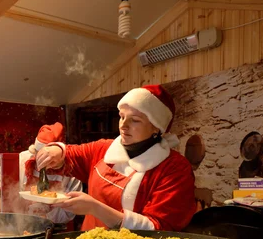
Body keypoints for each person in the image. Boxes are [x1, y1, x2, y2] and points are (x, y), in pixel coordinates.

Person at [36, 85, 196, 231]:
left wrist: (95, 208)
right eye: (122, 116)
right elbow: (72, 155)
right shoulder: (104, 148)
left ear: (156, 126)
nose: (123, 125)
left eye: (135, 120)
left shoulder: (175, 169)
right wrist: (57, 150)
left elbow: (160, 228)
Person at [0, 123, 82, 223]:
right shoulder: (22, 158)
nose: (41, 162)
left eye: (49, 158)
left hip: (51, 227)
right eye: (38, 155)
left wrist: (45, 216)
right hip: (20, 222)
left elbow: (70, 211)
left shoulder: (72, 171)